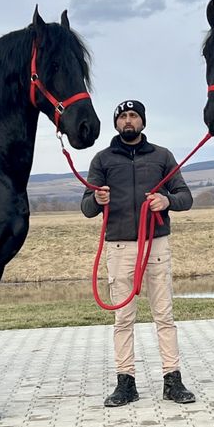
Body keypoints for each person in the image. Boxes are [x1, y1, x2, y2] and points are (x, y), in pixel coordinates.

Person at [81, 99, 196, 407]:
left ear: (142, 122)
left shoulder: (162, 156)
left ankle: (172, 381)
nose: (128, 121)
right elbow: (86, 208)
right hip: (119, 246)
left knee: (164, 315)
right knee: (123, 318)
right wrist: (98, 199)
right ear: (116, 123)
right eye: (123, 116)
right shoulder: (102, 160)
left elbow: (186, 196)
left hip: (156, 244)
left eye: (133, 116)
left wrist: (166, 201)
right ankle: (125, 382)